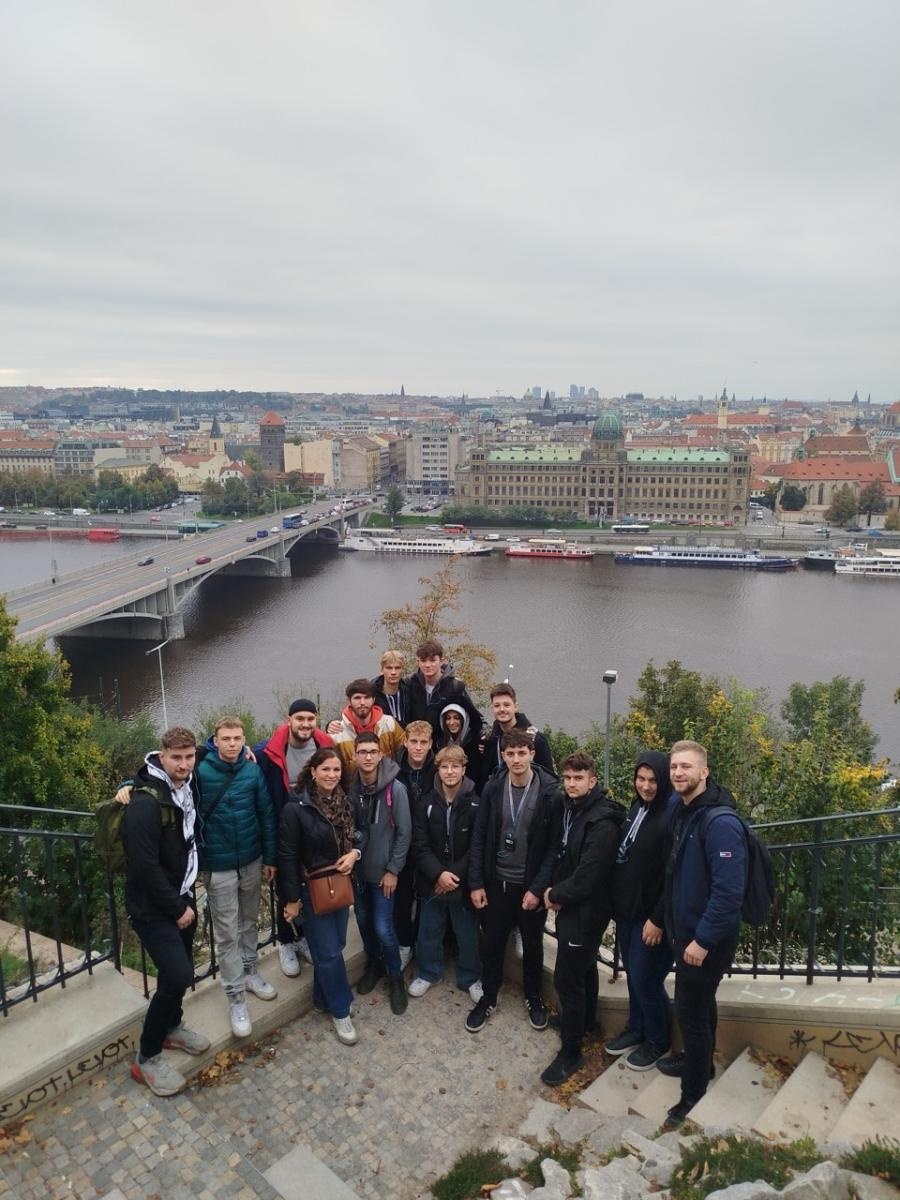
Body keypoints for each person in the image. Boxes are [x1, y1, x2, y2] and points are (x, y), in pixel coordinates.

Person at [660, 740, 747, 1130]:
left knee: (690, 1014)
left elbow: (729, 893)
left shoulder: (720, 823)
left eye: (686, 767)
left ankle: (692, 1095)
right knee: (700, 1005)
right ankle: (702, 1064)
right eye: (674, 767)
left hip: (703, 941)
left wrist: (702, 941)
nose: (678, 773)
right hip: (688, 933)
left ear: (704, 772)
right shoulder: (685, 810)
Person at [123, 727, 211, 1097]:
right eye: (176, 757)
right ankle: (147, 1056)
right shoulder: (145, 805)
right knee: (177, 975)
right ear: (160, 756)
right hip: (154, 905)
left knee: (180, 969)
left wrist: (251, 751)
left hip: (182, 893)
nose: (185, 764)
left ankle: (172, 1025)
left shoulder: (186, 781)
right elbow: (143, 865)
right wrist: (176, 908)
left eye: (189, 757)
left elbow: (215, 748)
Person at [467, 730, 559, 1034]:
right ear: (503, 756)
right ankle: (489, 997)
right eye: (510, 754)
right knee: (491, 943)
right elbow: (479, 837)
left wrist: (536, 889)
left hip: (529, 886)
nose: (516, 759)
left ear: (532, 753)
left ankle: (533, 997)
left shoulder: (549, 792)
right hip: (497, 884)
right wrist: (477, 883)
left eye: (522, 753)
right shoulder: (494, 788)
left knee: (533, 945)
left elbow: (553, 848)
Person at [541, 751, 625, 1087]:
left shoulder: (601, 823)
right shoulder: (574, 809)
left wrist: (554, 895)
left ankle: (571, 1053)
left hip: (586, 913)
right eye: (569, 778)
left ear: (593, 781)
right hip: (579, 909)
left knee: (567, 980)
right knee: (585, 967)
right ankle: (586, 1022)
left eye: (579, 778)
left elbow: (588, 877)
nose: (572, 784)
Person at [195, 716, 278, 1040]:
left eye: (238, 738)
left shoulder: (252, 769)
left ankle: (249, 971)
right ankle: (235, 998)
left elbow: (266, 814)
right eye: (226, 738)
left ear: (244, 739)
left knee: (248, 920)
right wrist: (128, 786)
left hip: (252, 859)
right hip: (219, 865)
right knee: (227, 932)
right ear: (214, 741)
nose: (232, 744)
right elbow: (162, 775)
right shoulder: (199, 772)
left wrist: (270, 857)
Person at [279, 746, 368, 1046]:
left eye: (336, 770)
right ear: (313, 772)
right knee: (329, 952)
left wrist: (355, 853)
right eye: (325, 769)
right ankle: (341, 1010)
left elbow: (362, 833)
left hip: (341, 883)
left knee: (338, 944)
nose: (331, 775)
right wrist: (292, 899)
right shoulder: (297, 808)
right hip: (312, 886)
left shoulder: (348, 802)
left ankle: (320, 998)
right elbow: (288, 855)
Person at [609, 751, 678, 1070]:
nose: (646, 786)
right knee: (634, 976)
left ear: (663, 781)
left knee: (647, 979)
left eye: (653, 780)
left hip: (651, 916)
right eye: (641, 779)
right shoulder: (637, 807)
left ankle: (657, 1040)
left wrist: (658, 919)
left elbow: (672, 873)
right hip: (627, 910)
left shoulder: (670, 814)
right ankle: (636, 1029)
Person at [256, 699, 334, 978]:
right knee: (286, 889)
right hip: (284, 830)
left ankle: (302, 937)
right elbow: (224, 751)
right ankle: (286, 942)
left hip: (313, 829)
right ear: (288, 719)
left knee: (310, 887)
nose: (305, 724)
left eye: (310, 719)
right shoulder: (268, 752)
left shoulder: (325, 746)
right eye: (299, 718)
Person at [408, 745, 483, 1002]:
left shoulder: (475, 803)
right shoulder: (426, 802)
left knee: (468, 933)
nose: (449, 772)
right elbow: (419, 844)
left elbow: (477, 846)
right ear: (437, 770)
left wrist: (452, 876)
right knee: (429, 930)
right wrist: (438, 874)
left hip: (461, 883)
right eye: (444, 767)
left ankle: (470, 976)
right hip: (432, 881)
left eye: (455, 766)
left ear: (464, 769)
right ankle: (429, 972)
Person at [350, 732, 412, 1015]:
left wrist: (393, 870)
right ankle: (373, 964)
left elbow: (404, 833)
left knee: (383, 928)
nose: (367, 756)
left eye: (372, 751)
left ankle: (396, 977)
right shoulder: (351, 787)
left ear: (381, 755)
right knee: (363, 923)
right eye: (362, 751)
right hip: (358, 875)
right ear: (354, 755)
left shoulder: (394, 789)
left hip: (383, 875)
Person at [394, 719, 437, 966]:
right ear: (405, 742)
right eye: (414, 742)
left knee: (425, 900)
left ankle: (422, 945)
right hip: (401, 846)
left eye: (423, 743)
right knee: (401, 901)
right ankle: (404, 944)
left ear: (430, 744)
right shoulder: (393, 770)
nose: (418, 747)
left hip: (428, 846)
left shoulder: (438, 770)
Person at [406, 639, 484, 749]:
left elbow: (474, 718)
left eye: (433, 660)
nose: (427, 665)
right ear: (418, 662)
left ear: (441, 661)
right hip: (417, 747)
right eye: (423, 661)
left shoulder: (456, 687)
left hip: (443, 749)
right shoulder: (410, 684)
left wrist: (483, 738)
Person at [476, 683, 555, 791]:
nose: (502, 709)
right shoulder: (489, 740)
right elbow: (483, 779)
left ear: (516, 707)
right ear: (492, 708)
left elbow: (549, 781)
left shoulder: (535, 739)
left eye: (506, 705)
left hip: (530, 802)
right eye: (497, 705)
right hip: (497, 802)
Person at [331, 678, 405, 771]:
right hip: (352, 785)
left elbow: (406, 753)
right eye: (357, 698)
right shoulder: (337, 734)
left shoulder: (389, 724)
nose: (362, 702)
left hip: (388, 784)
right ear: (349, 701)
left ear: (373, 699)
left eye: (367, 697)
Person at [435, 702, 482, 774]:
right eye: (448, 718)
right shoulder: (439, 742)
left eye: (457, 718)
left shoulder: (475, 742)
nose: (452, 722)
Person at [372, 649, 410, 727]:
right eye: (389, 668)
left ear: (403, 670)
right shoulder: (371, 692)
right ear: (382, 670)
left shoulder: (409, 690)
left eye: (397, 668)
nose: (393, 672)